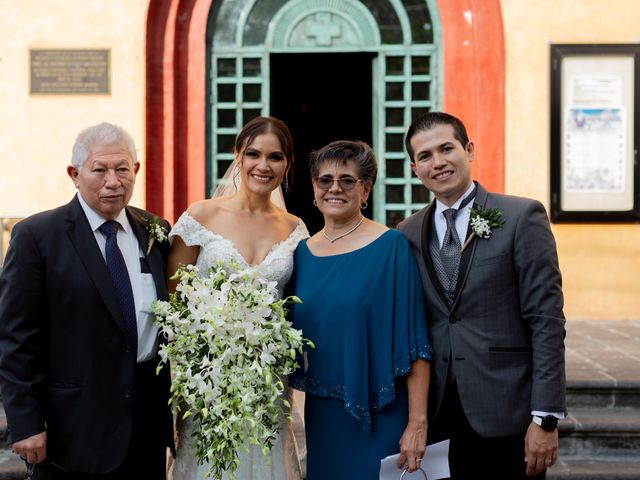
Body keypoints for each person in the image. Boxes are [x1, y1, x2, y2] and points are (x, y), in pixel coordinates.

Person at [0, 122, 174, 479]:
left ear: (136, 170)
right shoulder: (38, 237)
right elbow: (15, 337)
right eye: (100, 170)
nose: (113, 181)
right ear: (75, 174)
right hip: (72, 429)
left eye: (122, 169)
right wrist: (26, 422)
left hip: (144, 427)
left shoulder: (155, 230)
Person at [397, 111, 566, 479]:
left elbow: (547, 321)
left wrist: (546, 418)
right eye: (425, 156)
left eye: (447, 148)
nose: (438, 162)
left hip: (508, 413)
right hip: (438, 416)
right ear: (415, 168)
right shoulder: (407, 232)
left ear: (469, 149)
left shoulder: (522, 216)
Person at [167, 116, 309, 480]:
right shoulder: (201, 216)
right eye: (253, 154)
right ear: (238, 157)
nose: (263, 166)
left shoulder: (295, 229)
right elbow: (173, 302)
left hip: (268, 382)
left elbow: (298, 305)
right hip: (208, 381)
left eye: (275, 157)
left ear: (287, 164)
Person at [289, 140, 432, 479]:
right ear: (314, 187)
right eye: (325, 179)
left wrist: (417, 423)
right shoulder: (301, 254)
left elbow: (416, 345)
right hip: (324, 416)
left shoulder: (391, 247)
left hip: (383, 413)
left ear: (366, 189)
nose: (334, 188)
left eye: (347, 180)